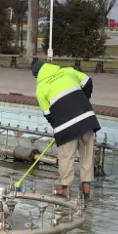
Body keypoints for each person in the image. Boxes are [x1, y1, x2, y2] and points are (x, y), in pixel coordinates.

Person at [32, 61, 100, 198]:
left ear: (37, 76)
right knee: (87, 154)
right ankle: (86, 186)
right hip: (86, 118)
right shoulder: (68, 71)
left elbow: (48, 115)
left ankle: (65, 188)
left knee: (66, 157)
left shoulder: (40, 88)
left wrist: (58, 128)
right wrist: (85, 98)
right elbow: (87, 80)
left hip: (65, 126)